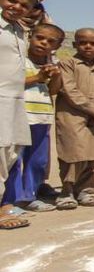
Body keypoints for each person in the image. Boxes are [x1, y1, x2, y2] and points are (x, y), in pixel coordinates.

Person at [2, 23, 63, 211]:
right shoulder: (18, 59)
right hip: (19, 116)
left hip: (41, 117)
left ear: (57, 46)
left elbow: (53, 90)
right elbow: (9, 83)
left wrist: (56, 76)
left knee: (37, 161)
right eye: (40, 38)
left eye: (50, 41)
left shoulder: (52, 62)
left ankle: (30, 196)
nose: (44, 43)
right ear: (30, 37)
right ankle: (12, 200)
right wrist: (37, 77)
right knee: (15, 160)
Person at [54, 28, 94, 209]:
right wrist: (92, 109)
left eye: (93, 43)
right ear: (75, 45)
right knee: (73, 154)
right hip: (72, 116)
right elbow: (69, 90)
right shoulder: (68, 64)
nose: (88, 46)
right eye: (83, 42)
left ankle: (86, 190)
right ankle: (67, 191)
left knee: (93, 155)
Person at [0, 0, 39, 229]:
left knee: (10, 154)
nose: (16, 7)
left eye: (24, 5)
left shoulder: (19, 31)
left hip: (14, 100)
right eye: (11, 1)